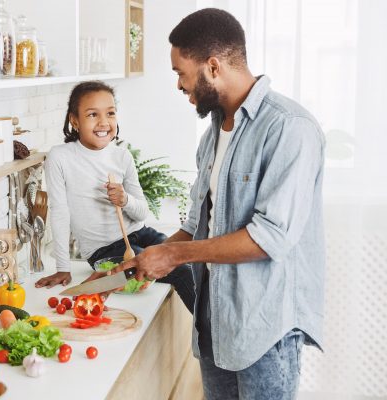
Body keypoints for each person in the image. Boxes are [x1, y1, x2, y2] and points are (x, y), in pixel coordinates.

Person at [112, 8, 325, 400]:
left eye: (181, 72)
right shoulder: (212, 135)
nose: (178, 84)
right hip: (216, 323)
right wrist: (150, 256)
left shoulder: (289, 128)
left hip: (265, 328)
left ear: (212, 66)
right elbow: (198, 224)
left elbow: (268, 239)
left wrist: (173, 254)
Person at [35, 81, 193, 307]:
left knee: (185, 263)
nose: (103, 122)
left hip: (141, 234)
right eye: (92, 115)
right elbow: (59, 213)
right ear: (74, 120)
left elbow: (141, 214)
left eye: (110, 113)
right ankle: (210, 338)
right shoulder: (60, 157)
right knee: (182, 273)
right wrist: (63, 268)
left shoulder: (122, 156)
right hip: (104, 250)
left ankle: (209, 335)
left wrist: (125, 200)